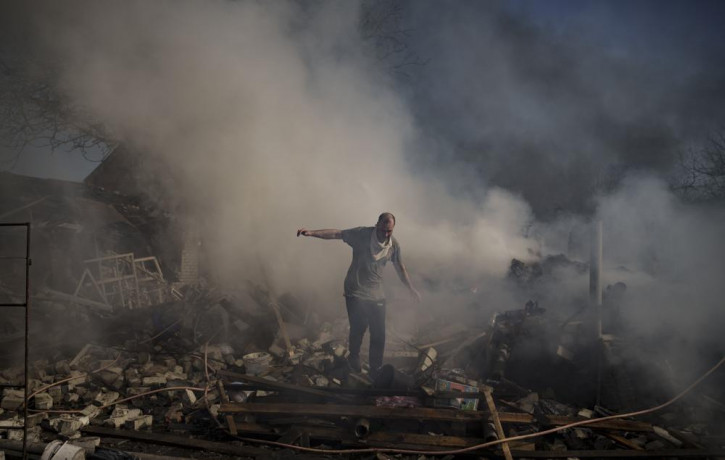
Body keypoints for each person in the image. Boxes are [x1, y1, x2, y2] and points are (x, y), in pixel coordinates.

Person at [297, 212, 421, 374]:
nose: (385, 234)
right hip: (355, 291)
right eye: (383, 230)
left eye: (389, 231)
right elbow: (337, 233)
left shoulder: (393, 245)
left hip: (376, 293)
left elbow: (400, 268)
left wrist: (411, 289)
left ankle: (375, 368)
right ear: (377, 225)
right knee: (358, 328)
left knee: (379, 334)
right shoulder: (362, 234)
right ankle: (354, 359)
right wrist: (312, 233)